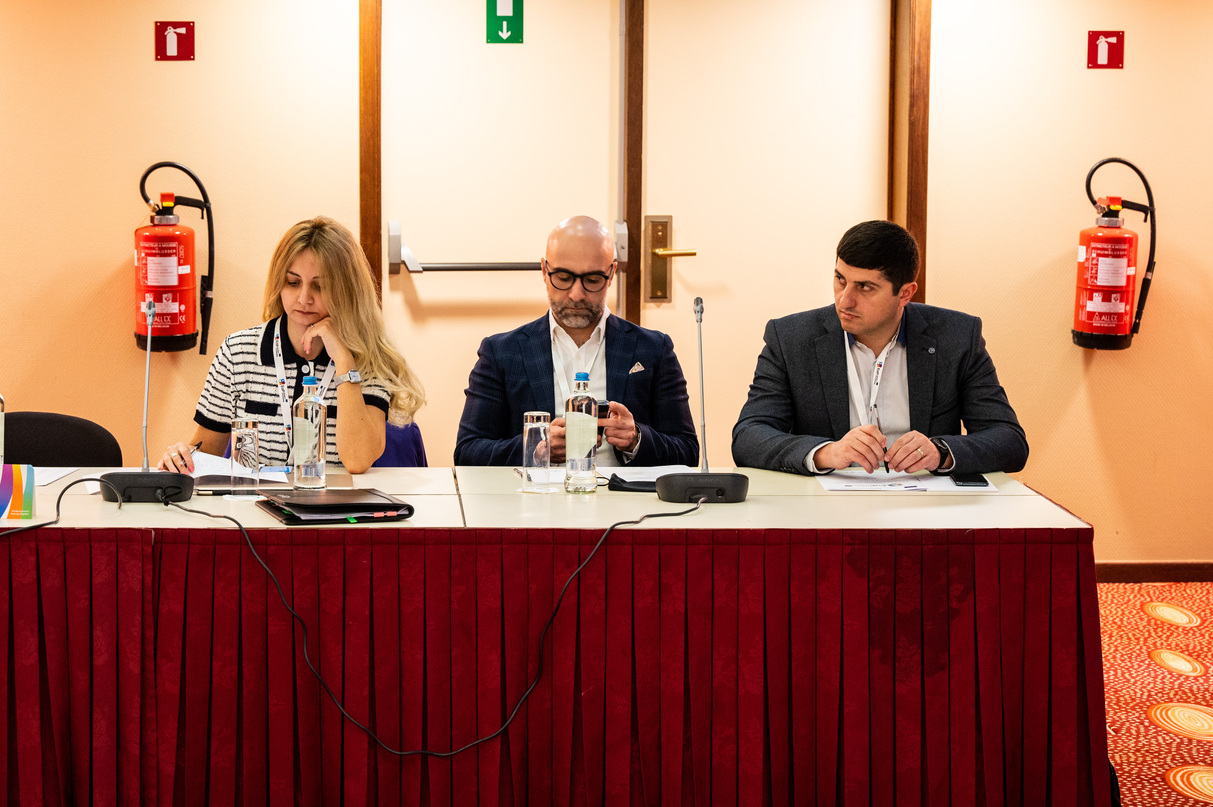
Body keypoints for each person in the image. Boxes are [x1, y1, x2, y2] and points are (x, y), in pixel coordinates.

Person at [731, 219, 1027, 476]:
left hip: (925, 503)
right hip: (824, 505)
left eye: (865, 287)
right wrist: (827, 453)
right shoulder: (790, 338)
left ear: (905, 293)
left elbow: (1009, 440)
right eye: (840, 280)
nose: (845, 300)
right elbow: (748, 436)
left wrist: (940, 452)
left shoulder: (957, 337)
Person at [160, 216, 425, 474]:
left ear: (347, 291)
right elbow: (206, 453)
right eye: (293, 282)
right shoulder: (237, 352)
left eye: (320, 286)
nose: (304, 298)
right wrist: (181, 457)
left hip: (333, 503)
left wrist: (344, 362)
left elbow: (357, 460)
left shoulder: (369, 359)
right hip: (256, 502)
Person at [454, 215, 699, 467]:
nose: (577, 294)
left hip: (623, 491)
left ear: (611, 274)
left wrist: (637, 439)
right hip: (538, 491)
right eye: (563, 277)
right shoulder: (501, 353)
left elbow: (687, 451)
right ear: (544, 271)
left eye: (592, 280)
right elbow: (467, 453)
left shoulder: (653, 349)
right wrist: (536, 448)